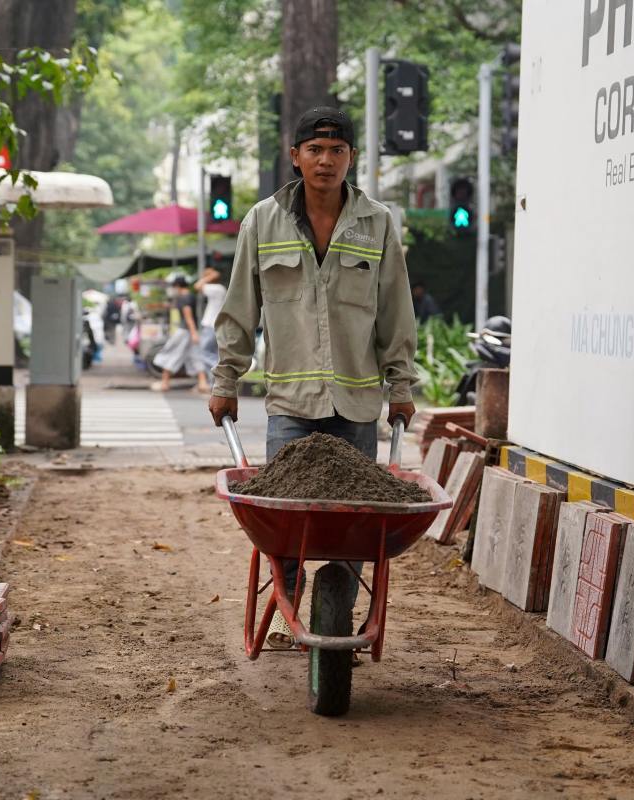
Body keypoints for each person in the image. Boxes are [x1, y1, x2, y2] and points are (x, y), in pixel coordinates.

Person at [208, 106, 418, 648]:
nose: (327, 161)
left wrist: (400, 387)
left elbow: (396, 312)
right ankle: (288, 610)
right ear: (296, 157)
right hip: (293, 410)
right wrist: (225, 379)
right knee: (288, 536)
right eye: (316, 150)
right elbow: (239, 309)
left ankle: (338, 617)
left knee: (352, 533)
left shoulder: (377, 223)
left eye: (338, 150)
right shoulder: (262, 221)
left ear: (351, 157)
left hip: (355, 407)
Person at [151, 274, 210, 393]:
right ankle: (203, 383)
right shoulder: (190, 296)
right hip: (190, 331)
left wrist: (193, 332)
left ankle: (164, 383)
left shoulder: (183, 297)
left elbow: (188, 316)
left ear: (177, 286)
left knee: (171, 353)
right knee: (195, 356)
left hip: (184, 331)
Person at [193, 266, 227, 375]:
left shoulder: (216, 288)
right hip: (215, 325)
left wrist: (209, 276)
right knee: (213, 352)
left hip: (211, 326)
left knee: (203, 353)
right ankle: (214, 381)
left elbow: (197, 286)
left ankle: (220, 371)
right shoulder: (220, 288)